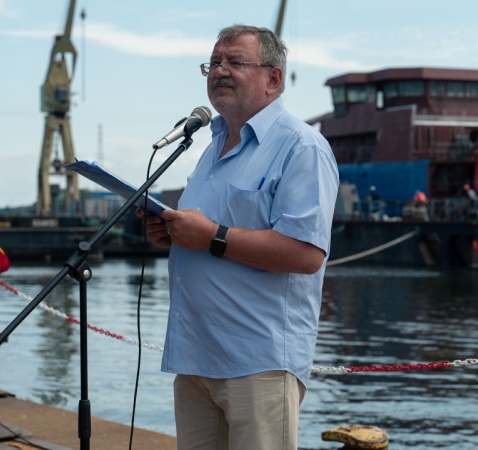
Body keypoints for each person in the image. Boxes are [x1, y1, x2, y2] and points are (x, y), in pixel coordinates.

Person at [137, 24, 338, 450]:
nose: (219, 71)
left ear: (273, 79)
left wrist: (209, 235)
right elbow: (211, 237)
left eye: (234, 62)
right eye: (213, 63)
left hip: (258, 363)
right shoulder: (210, 147)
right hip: (195, 357)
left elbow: (305, 254)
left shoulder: (302, 147)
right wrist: (171, 235)